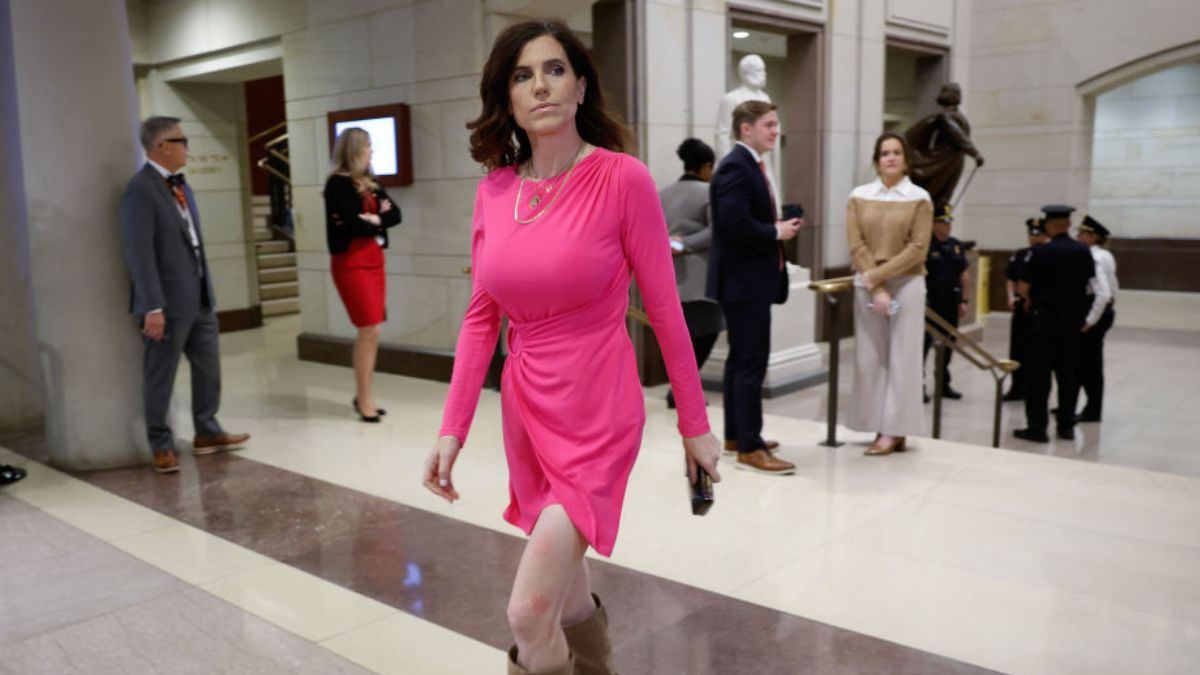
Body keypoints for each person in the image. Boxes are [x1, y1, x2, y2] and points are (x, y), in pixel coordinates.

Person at [422, 21, 721, 675]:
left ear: (581, 86)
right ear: (508, 99)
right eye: (522, 76)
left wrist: (694, 426)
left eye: (555, 70)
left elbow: (666, 310)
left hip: (599, 405)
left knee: (530, 610)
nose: (540, 86)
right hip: (527, 406)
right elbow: (480, 319)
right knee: (568, 584)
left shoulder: (622, 179)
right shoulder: (495, 191)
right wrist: (453, 427)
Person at [119, 116, 250, 474]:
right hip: (166, 305)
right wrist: (151, 306)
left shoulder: (182, 186)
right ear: (162, 147)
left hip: (200, 298)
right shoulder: (140, 190)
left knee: (209, 368)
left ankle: (207, 430)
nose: (187, 147)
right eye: (182, 140)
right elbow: (139, 253)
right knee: (160, 374)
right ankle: (160, 443)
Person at [706, 100, 803, 475]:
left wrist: (775, 225)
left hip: (746, 281)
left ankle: (736, 435)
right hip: (744, 284)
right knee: (750, 363)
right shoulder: (735, 166)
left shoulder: (748, 165)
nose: (775, 131)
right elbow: (734, 225)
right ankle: (750, 445)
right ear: (746, 129)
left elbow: (744, 219)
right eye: (769, 124)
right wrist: (775, 231)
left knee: (740, 362)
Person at [845, 132, 933, 456]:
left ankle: (894, 431)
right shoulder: (859, 195)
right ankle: (878, 424)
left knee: (904, 358)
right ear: (876, 160)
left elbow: (918, 248)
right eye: (885, 153)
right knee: (871, 357)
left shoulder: (919, 197)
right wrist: (876, 287)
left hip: (907, 283)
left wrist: (879, 278)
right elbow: (857, 244)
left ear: (906, 159)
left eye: (897, 152)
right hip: (869, 283)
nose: (891, 158)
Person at [324, 128, 402, 423]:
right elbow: (352, 226)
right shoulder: (337, 184)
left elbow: (396, 214)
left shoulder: (370, 182)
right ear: (355, 149)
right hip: (351, 262)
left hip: (373, 260)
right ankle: (365, 397)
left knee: (373, 330)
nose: (372, 151)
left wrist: (375, 219)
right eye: (368, 146)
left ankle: (364, 395)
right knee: (369, 329)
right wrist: (374, 220)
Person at [1013, 204, 1109, 443]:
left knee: (1039, 377)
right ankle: (1066, 426)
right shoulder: (1082, 251)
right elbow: (1096, 288)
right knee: (1068, 375)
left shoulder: (1040, 253)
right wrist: (1088, 321)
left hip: (1043, 322)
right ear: (1067, 224)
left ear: (1048, 225)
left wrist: (1029, 298)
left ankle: (1038, 427)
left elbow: (1023, 287)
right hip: (1073, 323)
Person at [660, 138, 719, 410]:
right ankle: (684, 391)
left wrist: (671, 243)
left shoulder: (663, 193)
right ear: (706, 166)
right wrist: (687, 244)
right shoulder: (710, 192)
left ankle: (682, 390)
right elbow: (716, 231)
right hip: (700, 277)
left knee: (683, 338)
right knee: (706, 334)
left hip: (669, 277)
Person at [904, 82, 985, 214]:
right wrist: (975, 153)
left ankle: (938, 215)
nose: (959, 95)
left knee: (945, 192)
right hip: (942, 160)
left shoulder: (953, 115)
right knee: (936, 190)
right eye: (955, 92)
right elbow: (958, 136)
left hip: (953, 159)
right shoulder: (946, 116)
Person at [922, 204, 970, 402]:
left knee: (948, 344)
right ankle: (919, 386)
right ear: (933, 224)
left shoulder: (956, 245)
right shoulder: (925, 245)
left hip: (951, 302)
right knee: (923, 347)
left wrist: (964, 300)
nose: (948, 226)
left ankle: (943, 384)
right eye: (944, 222)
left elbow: (964, 275)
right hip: (930, 304)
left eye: (950, 222)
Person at [1073, 215, 1118, 422]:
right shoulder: (1105, 255)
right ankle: (1090, 407)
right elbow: (1114, 287)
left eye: (1082, 233)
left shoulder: (1092, 257)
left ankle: (1092, 410)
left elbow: (1103, 293)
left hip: (1093, 312)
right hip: (1102, 311)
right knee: (1090, 363)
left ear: (1093, 237)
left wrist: (1089, 321)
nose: (1077, 236)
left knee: (1088, 364)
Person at [1002, 217, 1049, 401]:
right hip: (1021, 306)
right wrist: (1011, 297)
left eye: (1037, 233)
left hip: (1039, 307)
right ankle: (1017, 385)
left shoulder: (1046, 254)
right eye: (1031, 233)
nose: (1033, 237)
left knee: (1035, 349)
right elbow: (1011, 277)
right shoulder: (1021, 254)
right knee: (1017, 348)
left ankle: (1032, 387)